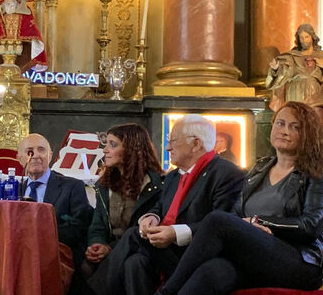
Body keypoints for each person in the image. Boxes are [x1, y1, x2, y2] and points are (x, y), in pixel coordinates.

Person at [158, 101, 323, 295]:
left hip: (301, 260)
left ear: (307, 134)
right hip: (254, 255)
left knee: (217, 219)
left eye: (295, 127)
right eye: (280, 123)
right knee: (212, 272)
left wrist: (258, 222)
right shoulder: (259, 169)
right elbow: (237, 213)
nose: (284, 131)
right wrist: (248, 226)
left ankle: (165, 293)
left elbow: (310, 226)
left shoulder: (321, 173)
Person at [89, 114, 245, 295]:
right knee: (135, 263)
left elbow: (223, 225)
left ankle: (91, 291)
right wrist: (151, 217)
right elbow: (160, 207)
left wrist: (174, 233)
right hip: (164, 248)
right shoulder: (172, 176)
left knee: (133, 234)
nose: (168, 147)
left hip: (195, 254)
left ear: (195, 144)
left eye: (172, 141)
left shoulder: (226, 174)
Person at [83, 123, 164, 276]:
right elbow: (97, 225)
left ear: (131, 149)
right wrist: (97, 244)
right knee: (85, 263)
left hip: (142, 249)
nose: (105, 150)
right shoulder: (105, 184)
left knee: (131, 264)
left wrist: (110, 249)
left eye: (112, 145)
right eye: (106, 144)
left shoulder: (155, 185)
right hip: (110, 247)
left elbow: (142, 233)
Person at [17, 133, 93, 293]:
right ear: (19, 158)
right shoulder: (12, 189)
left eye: (41, 150)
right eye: (29, 151)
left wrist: (40, 239)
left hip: (58, 253)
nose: (36, 155)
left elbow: (77, 226)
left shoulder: (72, 186)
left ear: (50, 155)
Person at [266, 23, 323, 115]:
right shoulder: (291, 56)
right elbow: (284, 71)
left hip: (316, 97)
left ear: (312, 37)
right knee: (296, 120)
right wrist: (276, 69)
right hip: (296, 93)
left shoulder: (321, 56)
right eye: (301, 37)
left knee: (313, 122)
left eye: (306, 37)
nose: (304, 40)